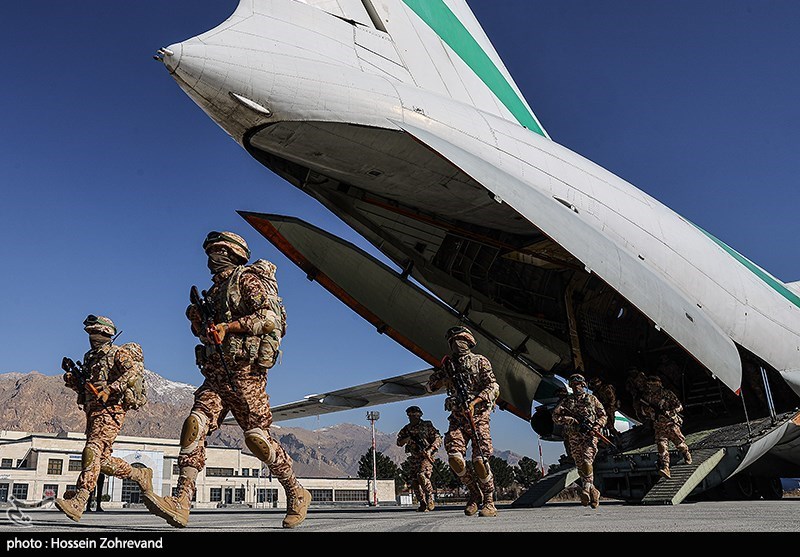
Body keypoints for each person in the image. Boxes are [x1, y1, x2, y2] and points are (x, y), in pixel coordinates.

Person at [143, 231, 310, 529]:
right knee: (195, 424)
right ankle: (182, 500)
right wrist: (199, 321)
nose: (212, 257)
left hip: (246, 375)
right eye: (210, 251)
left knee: (257, 440)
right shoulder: (214, 292)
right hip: (217, 374)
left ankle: (296, 491)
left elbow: (268, 319)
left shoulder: (247, 280)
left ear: (233, 253)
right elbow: (208, 333)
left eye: (217, 250)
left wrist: (227, 326)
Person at [55, 315, 153, 522]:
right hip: (93, 411)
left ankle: (80, 499)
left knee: (92, 450)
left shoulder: (118, 354)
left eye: (95, 332)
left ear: (107, 334)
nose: (92, 337)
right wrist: (74, 382)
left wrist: (111, 388)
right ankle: (139, 475)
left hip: (111, 410)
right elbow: (89, 386)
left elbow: (134, 371)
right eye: (90, 333)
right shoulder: (91, 357)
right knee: (101, 460)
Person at [426, 326, 500, 517]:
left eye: (460, 339)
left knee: (479, 461)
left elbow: (493, 386)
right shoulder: (449, 366)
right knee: (455, 459)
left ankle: (489, 501)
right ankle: (474, 493)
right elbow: (430, 386)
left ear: (469, 341)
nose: (457, 344)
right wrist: (443, 379)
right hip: (457, 419)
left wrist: (475, 402)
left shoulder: (480, 362)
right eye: (453, 341)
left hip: (478, 418)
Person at [552, 373, 607, 509]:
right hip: (574, 437)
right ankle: (594, 492)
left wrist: (596, 426)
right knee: (580, 465)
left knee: (587, 460)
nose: (576, 388)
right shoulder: (566, 402)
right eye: (574, 385)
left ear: (583, 385)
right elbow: (555, 416)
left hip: (589, 436)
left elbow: (603, 415)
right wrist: (568, 420)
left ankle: (586, 488)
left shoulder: (592, 399)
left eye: (579, 385)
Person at [639, 375, 692, 479]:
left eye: (652, 384)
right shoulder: (647, 397)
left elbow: (679, 406)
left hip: (671, 424)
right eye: (649, 385)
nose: (651, 387)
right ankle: (665, 468)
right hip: (658, 426)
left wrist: (670, 412)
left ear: (658, 384)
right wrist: (649, 411)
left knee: (680, 445)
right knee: (662, 448)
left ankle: (686, 454)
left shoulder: (667, 394)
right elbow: (643, 411)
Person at [396, 405, 442, 512]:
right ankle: (422, 502)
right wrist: (407, 439)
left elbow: (437, 438)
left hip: (426, 456)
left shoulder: (427, 425)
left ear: (419, 415)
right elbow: (399, 442)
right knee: (414, 481)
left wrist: (430, 450)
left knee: (422, 476)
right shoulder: (407, 429)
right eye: (410, 416)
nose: (412, 418)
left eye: (414, 415)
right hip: (414, 457)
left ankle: (430, 497)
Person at [588, 376, 621, 443]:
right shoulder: (595, 392)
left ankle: (616, 437)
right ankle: (614, 436)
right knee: (608, 425)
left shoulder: (606, 388)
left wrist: (609, 407)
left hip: (610, 407)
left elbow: (612, 399)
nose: (595, 385)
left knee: (610, 424)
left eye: (596, 383)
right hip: (604, 408)